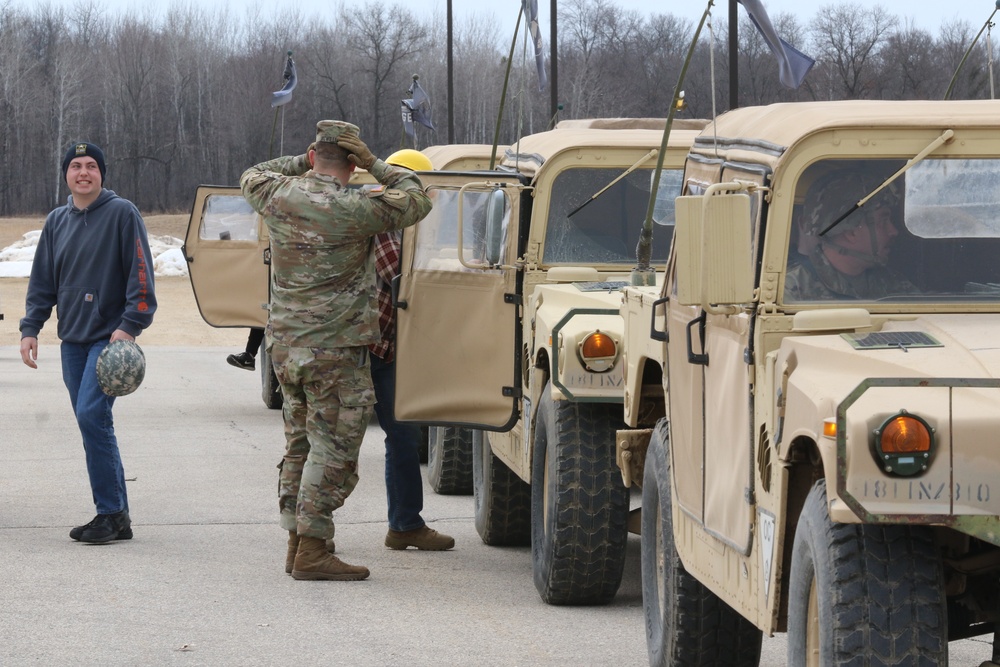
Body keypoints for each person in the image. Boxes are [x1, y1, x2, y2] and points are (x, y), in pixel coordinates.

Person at [240, 121, 432, 581]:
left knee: (300, 445)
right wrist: (374, 162)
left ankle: (298, 542)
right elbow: (417, 196)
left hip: (286, 348)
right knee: (334, 451)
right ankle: (312, 549)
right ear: (350, 162)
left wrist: (300, 161)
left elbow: (253, 172)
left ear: (312, 157)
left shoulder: (277, 195)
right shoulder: (356, 206)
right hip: (335, 350)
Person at [19, 141, 157, 544]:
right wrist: (31, 328)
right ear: (66, 174)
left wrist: (130, 324)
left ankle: (109, 512)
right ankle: (119, 516)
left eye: (91, 166)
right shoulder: (56, 221)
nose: (83, 172)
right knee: (94, 422)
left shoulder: (121, 213)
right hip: (72, 343)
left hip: (108, 342)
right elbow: (43, 281)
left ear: (102, 174)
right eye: (76, 166)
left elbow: (142, 275)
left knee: (90, 416)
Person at [370, 149, 454, 551]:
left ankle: (404, 524)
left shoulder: (400, 217)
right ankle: (310, 534)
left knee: (401, 435)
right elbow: (401, 277)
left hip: (382, 345)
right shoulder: (385, 217)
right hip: (365, 344)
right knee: (334, 440)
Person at [784, 167, 917, 301]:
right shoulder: (791, 291)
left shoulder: (893, 283)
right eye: (883, 221)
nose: (893, 231)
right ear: (851, 231)